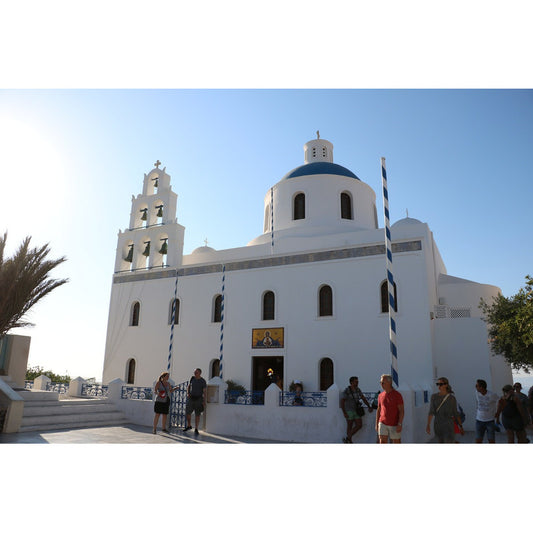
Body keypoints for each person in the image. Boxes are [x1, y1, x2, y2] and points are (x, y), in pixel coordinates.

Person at [426, 377, 464, 443]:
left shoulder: (451, 398)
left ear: (446, 385)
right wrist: (428, 425)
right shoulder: (434, 396)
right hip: (438, 425)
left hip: (448, 425)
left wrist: (461, 426)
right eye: (438, 384)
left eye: (441, 384)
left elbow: (455, 413)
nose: (439, 386)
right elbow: (431, 411)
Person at [340, 376, 373, 443]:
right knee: (350, 425)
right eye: (356, 381)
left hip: (357, 410)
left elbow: (363, 398)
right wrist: (344, 412)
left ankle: (347, 438)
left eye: (357, 381)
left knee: (359, 425)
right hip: (349, 410)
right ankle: (349, 440)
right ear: (351, 382)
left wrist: (369, 406)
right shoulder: (347, 390)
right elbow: (342, 401)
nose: (357, 383)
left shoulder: (358, 390)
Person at [375, 374, 404, 444]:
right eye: (380, 382)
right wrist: (377, 423)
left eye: (383, 382)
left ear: (389, 382)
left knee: (396, 442)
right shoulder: (380, 395)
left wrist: (400, 424)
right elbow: (379, 409)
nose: (381, 384)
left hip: (394, 424)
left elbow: (401, 411)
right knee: (382, 442)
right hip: (382, 423)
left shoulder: (397, 395)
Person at [474, 379, 499, 443]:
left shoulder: (492, 394)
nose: (475, 387)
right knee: (478, 440)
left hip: (489, 421)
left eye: (477, 386)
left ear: (481, 387)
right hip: (479, 420)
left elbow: (500, 402)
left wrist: (498, 413)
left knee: (491, 440)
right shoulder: (477, 393)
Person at [184, 368, 207, 434]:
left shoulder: (203, 381)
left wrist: (204, 400)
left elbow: (204, 391)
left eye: (196, 372)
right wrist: (188, 393)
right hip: (191, 398)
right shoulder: (192, 379)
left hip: (198, 398)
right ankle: (189, 425)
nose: (195, 373)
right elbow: (188, 386)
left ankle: (196, 428)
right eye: (194, 372)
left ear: (200, 373)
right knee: (188, 412)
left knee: (197, 414)